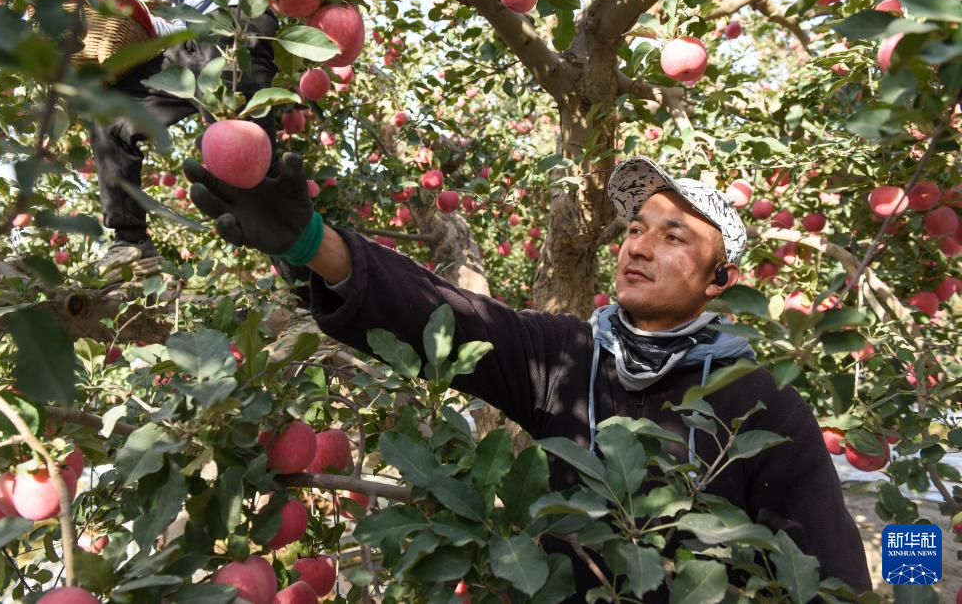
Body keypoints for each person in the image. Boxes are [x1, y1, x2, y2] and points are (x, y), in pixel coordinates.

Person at [181, 153, 873, 601]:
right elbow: (446, 317)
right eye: (635, 227)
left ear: (721, 281)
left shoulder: (762, 404)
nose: (637, 244)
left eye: (674, 236)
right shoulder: (570, 356)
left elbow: (830, 575)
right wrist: (313, 245)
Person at [90, 0, 281, 277]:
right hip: (197, 34)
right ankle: (130, 244)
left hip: (240, 20)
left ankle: (306, 289)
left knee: (253, 170)